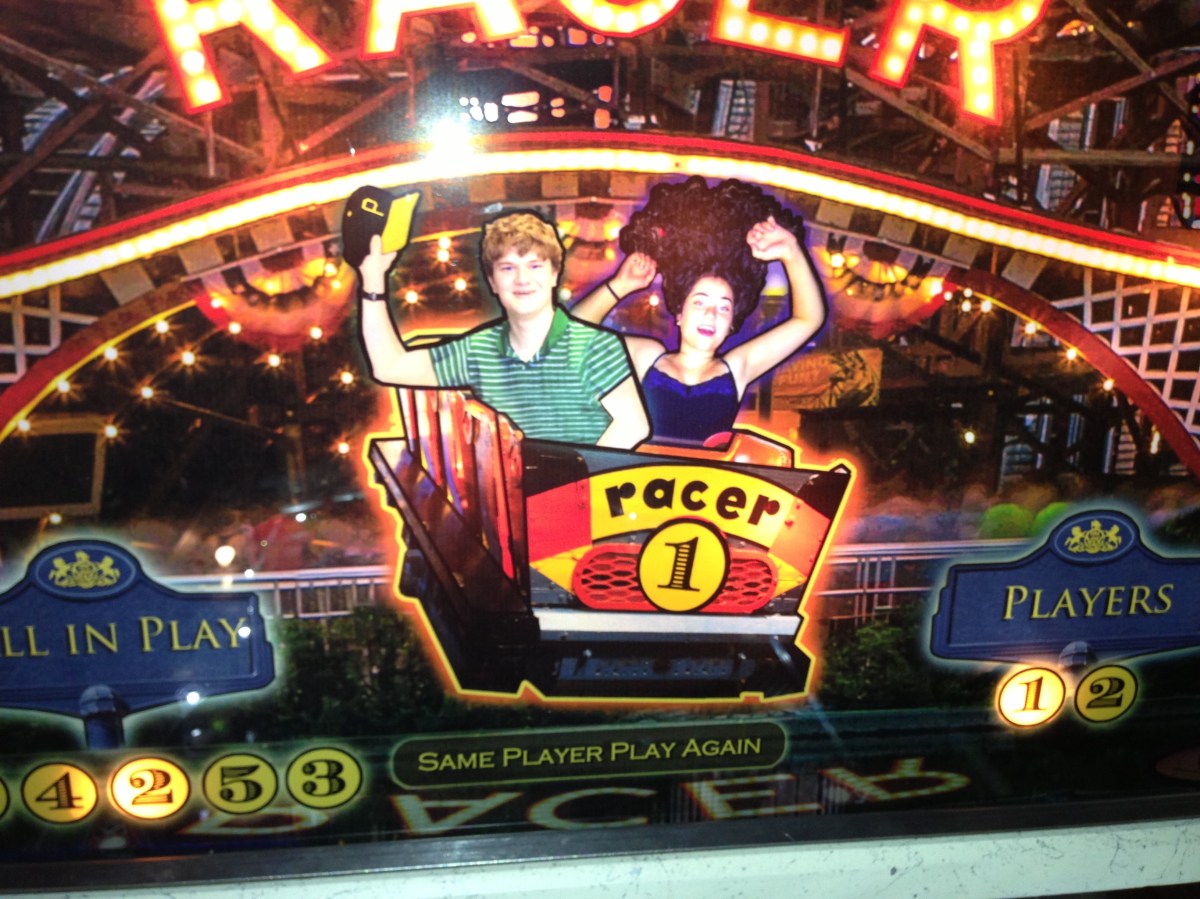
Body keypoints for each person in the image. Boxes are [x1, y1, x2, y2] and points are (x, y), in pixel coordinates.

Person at [356, 210, 649, 449]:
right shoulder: (477, 351)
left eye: (534, 266)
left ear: (553, 274)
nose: (522, 279)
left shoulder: (596, 345)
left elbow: (633, 425)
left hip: (588, 496)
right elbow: (390, 367)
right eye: (508, 268)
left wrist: (570, 484)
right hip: (514, 497)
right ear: (493, 282)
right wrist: (372, 281)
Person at [572, 177, 826, 446]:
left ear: (731, 323)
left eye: (724, 307)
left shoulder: (737, 368)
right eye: (700, 302)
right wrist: (619, 286)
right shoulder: (646, 357)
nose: (711, 314)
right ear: (679, 314)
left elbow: (808, 319)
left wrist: (792, 252)